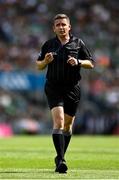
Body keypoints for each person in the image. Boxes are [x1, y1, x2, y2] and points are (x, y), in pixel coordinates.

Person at [36, 14, 94, 173]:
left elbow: (91, 63)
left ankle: (60, 156)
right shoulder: (48, 45)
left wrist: (79, 62)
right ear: (53, 28)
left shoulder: (78, 43)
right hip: (53, 87)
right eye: (58, 25)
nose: (61, 27)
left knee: (68, 127)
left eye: (64, 24)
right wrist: (45, 62)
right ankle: (61, 160)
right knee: (59, 122)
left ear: (69, 27)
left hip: (72, 88)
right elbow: (38, 65)